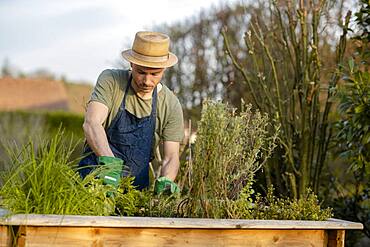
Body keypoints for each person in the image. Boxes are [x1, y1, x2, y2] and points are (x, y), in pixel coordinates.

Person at [78, 31, 184, 194]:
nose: (147, 81)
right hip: (95, 180)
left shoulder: (170, 104)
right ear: (131, 64)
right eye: (141, 72)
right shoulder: (111, 81)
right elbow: (92, 123)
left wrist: (167, 180)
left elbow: (171, 157)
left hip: (135, 191)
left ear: (164, 69)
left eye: (155, 74)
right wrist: (110, 165)